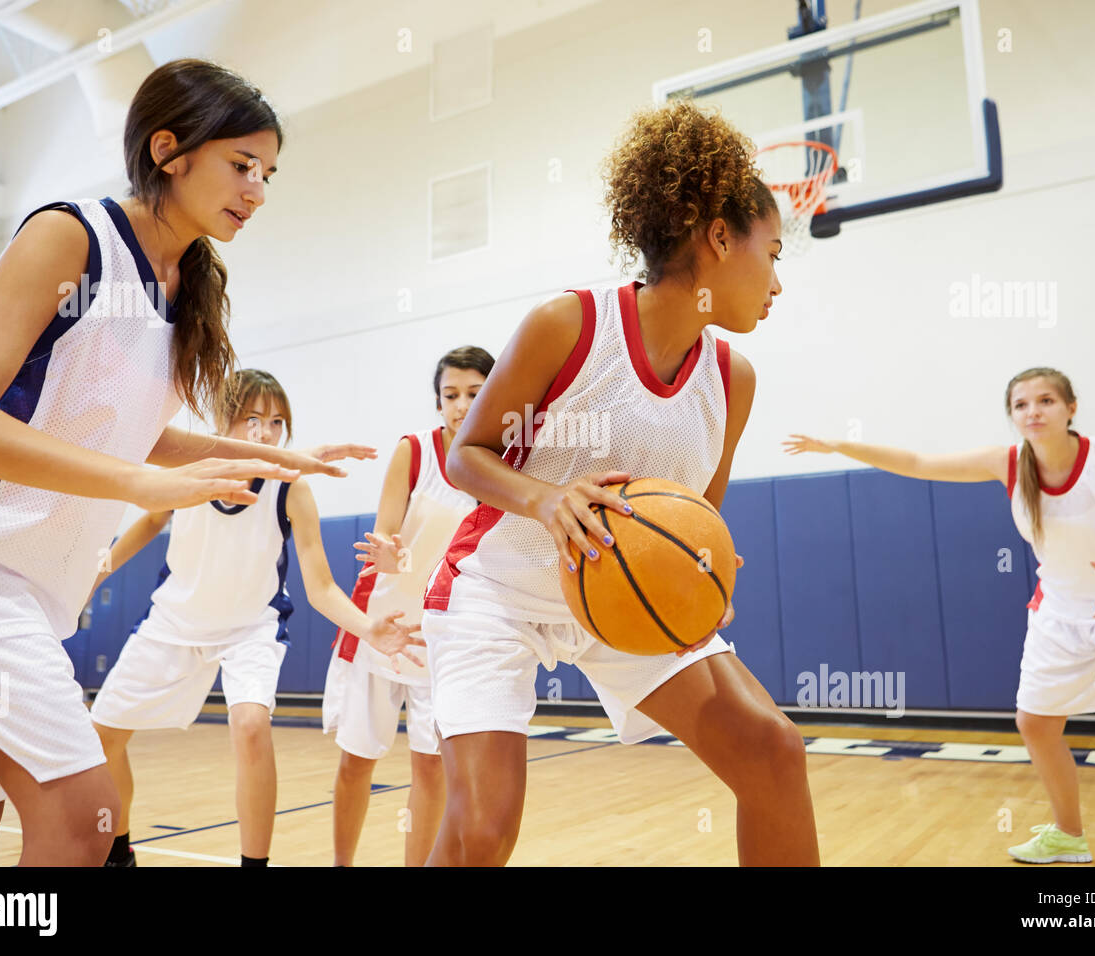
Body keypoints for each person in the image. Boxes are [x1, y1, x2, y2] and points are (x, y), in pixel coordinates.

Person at [0, 60, 359, 866]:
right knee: (86, 822)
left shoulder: (186, 288)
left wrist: (267, 455)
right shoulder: (70, 236)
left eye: (268, 173)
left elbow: (137, 435)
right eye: (242, 165)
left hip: (33, 592)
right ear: (169, 149)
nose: (257, 190)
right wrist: (137, 486)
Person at [419, 100, 819, 866]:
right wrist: (548, 497)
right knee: (481, 831)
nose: (777, 283)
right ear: (720, 238)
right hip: (500, 590)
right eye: (774, 253)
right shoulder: (567, 325)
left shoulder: (733, 379)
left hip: (620, 594)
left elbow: (697, 515)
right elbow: (466, 456)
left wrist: (705, 571)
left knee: (772, 752)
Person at [784, 366, 1095, 866]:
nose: (1033, 411)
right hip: (1060, 610)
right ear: (1012, 415)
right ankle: (1067, 835)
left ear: (1070, 408)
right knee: (1035, 723)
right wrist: (841, 447)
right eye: (1021, 405)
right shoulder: (1008, 464)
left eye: (1045, 401)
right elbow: (917, 460)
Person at [91, 370, 422, 867]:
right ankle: (118, 851)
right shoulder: (192, 468)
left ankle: (254, 865)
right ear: (224, 421)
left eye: (275, 422)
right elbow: (149, 519)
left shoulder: (290, 491)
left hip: (251, 628)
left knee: (250, 724)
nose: (265, 433)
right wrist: (97, 573)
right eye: (252, 419)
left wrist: (369, 627)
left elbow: (322, 587)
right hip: (175, 621)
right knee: (102, 738)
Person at [324, 346, 494, 866]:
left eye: (474, 393)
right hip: (381, 623)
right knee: (357, 760)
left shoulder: (502, 465)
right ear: (437, 401)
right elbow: (385, 538)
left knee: (431, 767)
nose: (461, 405)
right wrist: (390, 554)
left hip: (442, 638)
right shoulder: (414, 451)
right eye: (450, 395)